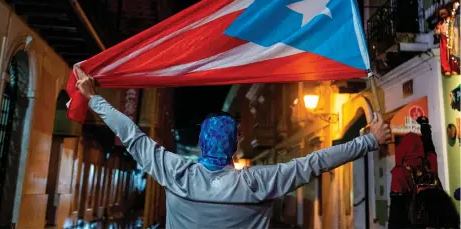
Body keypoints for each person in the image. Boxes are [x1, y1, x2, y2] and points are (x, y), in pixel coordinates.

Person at [75, 72, 391, 229]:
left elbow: (130, 135)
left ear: (201, 143)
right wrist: (369, 140)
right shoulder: (256, 182)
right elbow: (316, 162)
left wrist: (92, 97)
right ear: (234, 145)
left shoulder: (175, 173)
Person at [388, 117, 460, 229]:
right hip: (443, 220)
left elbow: (396, 214)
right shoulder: (429, 165)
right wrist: (425, 128)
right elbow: (430, 148)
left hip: (418, 221)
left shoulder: (400, 173)